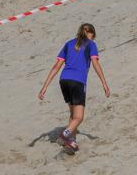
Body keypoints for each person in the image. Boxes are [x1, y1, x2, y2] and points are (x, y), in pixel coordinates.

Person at [37, 24, 109, 154]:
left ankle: (71, 142)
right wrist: (104, 82)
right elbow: (95, 63)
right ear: (91, 34)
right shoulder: (91, 44)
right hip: (78, 82)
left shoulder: (69, 44)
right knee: (79, 117)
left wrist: (45, 86)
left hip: (64, 81)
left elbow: (56, 66)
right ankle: (64, 135)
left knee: (73, 114)